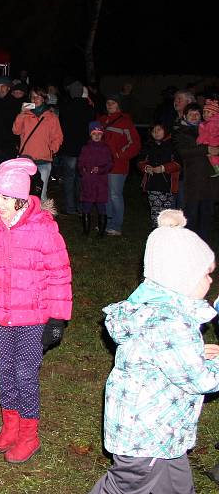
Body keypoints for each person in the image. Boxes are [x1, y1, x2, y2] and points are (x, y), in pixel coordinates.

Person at [89, 210, 219, 494]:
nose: (211, 281)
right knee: (123, 487)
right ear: (182, 279)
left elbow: (172, 359)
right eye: (206, 275)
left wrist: (200, 353)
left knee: (177, 484)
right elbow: (202, 380)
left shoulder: (153, 310)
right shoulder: (172, 324)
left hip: (161, 433)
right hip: (147, 437)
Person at [0, 157, 72, 463]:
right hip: (2, 313)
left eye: (2, 197)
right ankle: (10, 427)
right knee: (5, 370)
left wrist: (57, 318)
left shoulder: (43, 229)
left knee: (25, 373)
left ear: (20, 198)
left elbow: (59, 273)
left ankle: (29, 435)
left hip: (34, 317)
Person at [172, 103, 218, 242]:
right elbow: (183, 152)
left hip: (209, 180)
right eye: (191, 114)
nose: (194, 116)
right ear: (185, 116)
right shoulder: (180, 131)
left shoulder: (210, 128)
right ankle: (190, 245)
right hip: (192, 180)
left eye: (197, 114)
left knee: (206, 215)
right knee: (191, 215)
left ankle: (203, 246)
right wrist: (207, 149)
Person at [97, 94, 141, 236]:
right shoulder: (102, 120)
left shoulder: (125, 122)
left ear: (119, 105)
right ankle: (107, 223)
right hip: (103, 164)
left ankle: (116, 225)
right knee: (106, 195)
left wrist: (119, 154)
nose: (110, 105)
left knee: (115, 195)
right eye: (108, 102)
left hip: (118, 165)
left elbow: (134, 143)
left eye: (113, 103)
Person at [12, 86, 63, 201]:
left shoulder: (51, 117)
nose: (35, 99)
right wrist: (21, 114)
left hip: (43, 161)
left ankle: (40, 218)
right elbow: (15, 131)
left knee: (41, 195)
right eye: (33, 97)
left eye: (38, 97)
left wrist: (51, 149)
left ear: (44, 99)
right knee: (24, 195)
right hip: (26, 160)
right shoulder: (25, 115)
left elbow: (58, 136)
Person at [57, 81, 95, 215]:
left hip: (69, 148)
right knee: (81, 178)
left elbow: (61, 127)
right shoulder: (89, 108)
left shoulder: (66, 107)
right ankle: (80, 206)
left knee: (69, 179)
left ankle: (70, 207)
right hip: (84, 148)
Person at [138, 123, 180, 227]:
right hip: (153, 184)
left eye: (159, 130)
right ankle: (157, 234)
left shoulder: (173, 145)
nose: (156, 133)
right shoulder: (149, 145)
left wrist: (163, 168)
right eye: (154, 131)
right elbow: (140, 161)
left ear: (165, 130)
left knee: (168, 213)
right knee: (156, 213)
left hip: (168, 185)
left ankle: (169, 235)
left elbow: (178, 163)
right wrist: (146, 168)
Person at [77, 122, 113, 237]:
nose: (97, 136)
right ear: (90, 135)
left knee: (101, 206)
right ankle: (86, 231)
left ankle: (102, 231)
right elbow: (80, 163)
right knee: (86, 205)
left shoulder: (106, 148)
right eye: (94, 133)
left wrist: (100, 169)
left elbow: (110, 164)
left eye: (99, 133)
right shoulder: (86, 148)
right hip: (88, 182)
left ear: (102, 135)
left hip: (101, 183)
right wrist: (83, 171)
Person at [197, 98, 219, 177]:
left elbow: (207, 134)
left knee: (213, 157)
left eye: (208, 112)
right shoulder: (209, 123)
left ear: (214, 114)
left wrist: (200, 140)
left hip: (213, 143)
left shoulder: (212, 123)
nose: (205, 114)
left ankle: (217, 169)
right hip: (211, 143)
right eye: (204, 112)